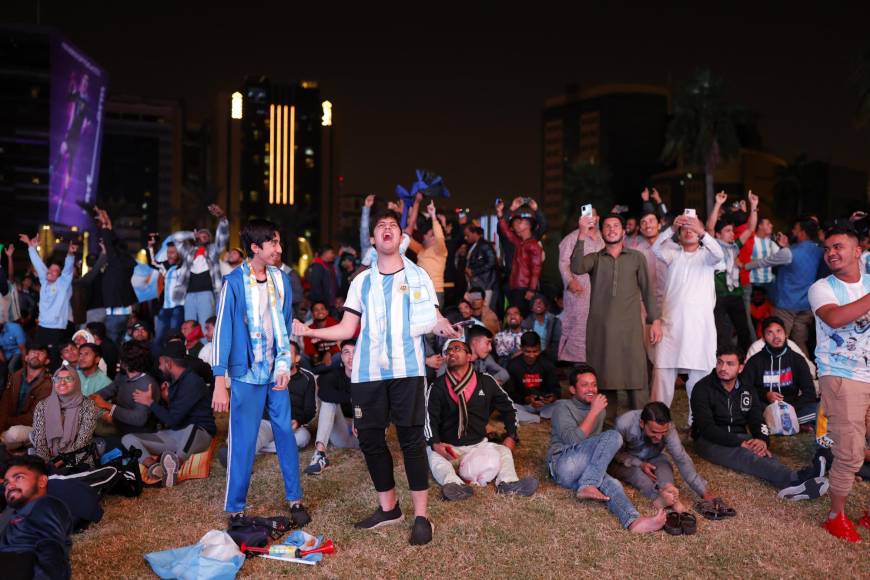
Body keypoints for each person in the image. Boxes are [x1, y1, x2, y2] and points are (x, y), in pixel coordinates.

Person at [293, 208, 460, 545]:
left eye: (392, 226)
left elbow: (434, 316)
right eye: (380, 226)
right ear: (373, 239)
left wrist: (443, 326)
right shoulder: (361, 281)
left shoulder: (418, 276)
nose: (386, 230)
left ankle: (421, 517)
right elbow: (347, 327)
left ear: (401, 238)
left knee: (411, 440)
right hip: (368, 373)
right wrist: (310, 330)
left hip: (407, 371)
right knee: (369, 438)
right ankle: (388, 508)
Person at [211, 219, 310, 523]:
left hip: (277, 370)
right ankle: (236, 508)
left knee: (285, 434)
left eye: (280, 243)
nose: (279, 249)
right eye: (274, 244)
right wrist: (219, 381)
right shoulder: (234, 282)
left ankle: (295, 500)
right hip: (245, 373)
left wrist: (284, 364)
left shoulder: (281, 280)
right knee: (243, 439)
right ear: (255, 248)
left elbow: (284, 322)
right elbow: (222, 332)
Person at [690, 346, 828, 500]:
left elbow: (757, 419)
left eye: (730, 364)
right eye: (720, 363)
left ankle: (795, 485)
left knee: (764, 453)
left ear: (741, 367)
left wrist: (762, 440)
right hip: (707, 439)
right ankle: (793, 479)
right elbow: (706, 428)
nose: (723, 368)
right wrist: (740, 442)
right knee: (744, 455)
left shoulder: (747, 389)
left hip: (737, 434)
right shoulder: (702, 388)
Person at [547, 365, 665, 533]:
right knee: (614, 436)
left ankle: (633, 521)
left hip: (585, 469)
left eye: (594, 384)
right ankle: (588, 484)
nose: (591, 389)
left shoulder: (599, 411)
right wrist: (594, 412)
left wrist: (637, 463)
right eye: (585, 385)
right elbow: (573, 441)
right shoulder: (562, 407)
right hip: (562, 464)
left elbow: (598, 450)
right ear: (572, 389)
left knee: (614, 484)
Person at [807, 224, 870, 541]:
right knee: (850, 452)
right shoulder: (822, 288)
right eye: (828, 248)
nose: (831, 253)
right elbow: (834, 318)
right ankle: (836, 517)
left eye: (839, 247)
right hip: (842, 376)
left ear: (858, 251)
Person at [571, 213, 662, 420]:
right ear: (602, 232)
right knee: (603, 377)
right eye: (607, 226)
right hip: (600, 330)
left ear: (623, 231)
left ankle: (642, 427)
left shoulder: (636, 257)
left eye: (616, 226)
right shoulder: (595, 259)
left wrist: (654, 320)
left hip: (630, 329)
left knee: (636, 376)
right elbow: (576, 267)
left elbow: (648, 291)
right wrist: (583, 232)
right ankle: (606, 429)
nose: (612, 229)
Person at [426, 337, 537, 500]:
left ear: (470, 356)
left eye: (457, 349)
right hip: (449, 448)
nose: (451, 352)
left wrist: (511, 435)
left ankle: (508, 483)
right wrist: (435, 443)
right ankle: (455, 485)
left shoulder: (485, 381)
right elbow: (429, 418)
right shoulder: (437, 386)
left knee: (503, 450)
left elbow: (508, 408)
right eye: (448, 350)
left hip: (478, 445)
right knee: (431, 452)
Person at [651, 211, 724, 424]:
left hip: (699, 327)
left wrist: (702, 232)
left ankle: (698, 423)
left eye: (694, 228)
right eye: (685, 229)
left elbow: (719, 253)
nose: (689, 231)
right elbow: (656, 247)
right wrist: (672, 229)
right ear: (679, 236)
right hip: (671, 325)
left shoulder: (707, 256)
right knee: (663, 374)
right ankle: (656, 421)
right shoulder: (673, 253)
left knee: (700, 376)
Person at [123, 341, 215, 488]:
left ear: (168, 363)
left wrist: (150, 403)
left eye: (160, 363)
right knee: (128, 438)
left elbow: (172, 419)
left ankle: (174, 463)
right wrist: (165, 398)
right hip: (175, 434)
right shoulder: (173, 383)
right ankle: (155, 467)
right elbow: (173, 419)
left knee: (192, 428)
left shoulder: (192, 382)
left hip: (198, 434)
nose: (159, 367)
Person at [611, 402, 718, 513]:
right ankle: (659, 499)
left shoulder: (668, 427)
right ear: (642, 423)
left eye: (663, 432)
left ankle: (669, 491)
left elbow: (680, 457)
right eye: (654, 432)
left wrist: (704, 492)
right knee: (639, 476)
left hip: (654, 457)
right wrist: (639, 464)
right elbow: (615, 453)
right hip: (627, 461)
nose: (659, 437)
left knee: (664, 466)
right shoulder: (624, 424)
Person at [747, 218, 823, 356]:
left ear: (802, 233)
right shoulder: (819, 251)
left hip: (786, 304)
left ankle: (777, 371)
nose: (792, 231)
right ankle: (807, 372)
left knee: (778, 340)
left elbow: (765, 262)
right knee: (799, 342)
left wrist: (744, 265)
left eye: (795, 229)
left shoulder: (790, 253)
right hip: (806, 305)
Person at [0, 456, 73, 580]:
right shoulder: (16, 513)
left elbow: (50, 551)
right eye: (7, 482)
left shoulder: (44, 505)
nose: (10, 486)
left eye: (19, 477)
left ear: (42, 481)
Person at [740, 317, 818, 426]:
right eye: (770, 333)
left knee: (818, 410)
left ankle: (778, 423)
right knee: (745, 408)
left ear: (785, 334)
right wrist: (765, 395)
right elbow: (744, 389)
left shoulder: (797, 360)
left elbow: (809, 393)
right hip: (764, 408)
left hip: (793, 408)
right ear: (763, 338)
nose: (776, 336)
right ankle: (786, 423)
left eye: (779, 331)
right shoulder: (755, 361)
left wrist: (789, 409)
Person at [707, 191, 758, 354]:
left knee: (744, 331)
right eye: (728, 231)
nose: (732, 233)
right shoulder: (712, 245)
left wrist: (754, 206)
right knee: (721, 333)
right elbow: (709, 227)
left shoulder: (735, 246)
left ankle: (746, 360)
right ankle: (721, 362)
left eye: (731, 230)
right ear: (718, 235)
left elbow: (750, 229)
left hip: (736, 294)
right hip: (719, 296)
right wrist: (718, 204)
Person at [303, 340, 360, 476]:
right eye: (346, 352)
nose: (351, 357)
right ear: (341, 357)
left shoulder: (370, 376)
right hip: (343, 433)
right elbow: (324, 393)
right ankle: (320, 454)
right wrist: (351, 398)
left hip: (364, 432)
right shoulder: (335, 374)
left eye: (355, 352)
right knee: (328, 402)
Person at [168, 204, 229, 326]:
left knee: (205, 325)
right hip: (189, 294)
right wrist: (191, 234)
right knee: (189, 326)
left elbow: (222, 237)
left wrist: (222, 218)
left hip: (206, 294)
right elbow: (175, 238)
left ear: (209, 239)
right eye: (201, 234)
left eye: (206, 236)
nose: (203, 236)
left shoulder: (213, 251)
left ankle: (207, 346)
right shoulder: (188, 251)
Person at [558, 210, 604, 363]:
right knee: (578, 324)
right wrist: (570, 281)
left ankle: (597, 360)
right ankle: (576, 362)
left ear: (597, 218)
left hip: (600, 290)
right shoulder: (571, 238)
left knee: (599, 323)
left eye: (593, 215)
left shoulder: (603, 238)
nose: (590, 219)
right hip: (579, 290)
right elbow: (563, 263)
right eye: (586, 216)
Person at [30, 366, 98, 468]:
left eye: (68, 378)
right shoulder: (42, 405)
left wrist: (62, 461)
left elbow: (83, 441)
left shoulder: (88, 405)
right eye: (57, 379)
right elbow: (40, 441)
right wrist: (48, 464)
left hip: (78, 458)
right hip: (48, 460)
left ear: (77, 382)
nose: (62, 382)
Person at [254, 342, 316, 452]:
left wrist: (298, 421)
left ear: (297, 358)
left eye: (288, 353)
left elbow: (310, 410)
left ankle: (263, 447)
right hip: (270, 422)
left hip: (292, 425)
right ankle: (242, 452)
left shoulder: (307, 378)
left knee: (303, 438)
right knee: (255, 432)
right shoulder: (268, 375)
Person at [19, 234, 76, 350]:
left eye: (55, 271)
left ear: (60, 276)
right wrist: (30, 246)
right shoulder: (44, 281)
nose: (50, 271)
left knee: (53, 357)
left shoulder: (62, 284)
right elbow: (38, 264)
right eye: (50, 269)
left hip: (56, 329)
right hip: (41, 327)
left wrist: (70, 254)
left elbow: (68, 269)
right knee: (39, 355)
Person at [91, 341, 159, 438]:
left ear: (124, 362)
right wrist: (90, 399)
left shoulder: (146, 385)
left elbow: (139, 419)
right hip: (118, 424)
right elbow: (108, 391)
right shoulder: (123, 376)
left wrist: (108, 406)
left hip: (136, 434)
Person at [94, 208, 138, 344]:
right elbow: (113, 243)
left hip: (115, 314)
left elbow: (110, 244)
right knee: (121, 345)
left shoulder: (117, 262)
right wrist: (109, 226)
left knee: (111, 346)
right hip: (122, 311)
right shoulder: (125, 262)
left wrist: (105, 225)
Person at [496, 200, 543, 316]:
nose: (517, 224)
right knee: (516, 315)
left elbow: (536, 269)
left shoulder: (533, 245)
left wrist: (531, 290)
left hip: (524, 288)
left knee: (522, 316)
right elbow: (505, 229)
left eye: (521, 222)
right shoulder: (519, 243)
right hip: (515, 286)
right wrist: (505, 211)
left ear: (527, 227)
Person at [0, 346, 51, 450]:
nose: (36, 355)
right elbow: (5, 402)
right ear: (26, 357)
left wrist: (5, 422)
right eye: (33, 352)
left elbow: (34, 417)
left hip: (33, 426)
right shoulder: (15, 376)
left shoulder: (49, 384)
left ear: (47, 361)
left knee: (14, 433)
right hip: (9, 422)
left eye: (40, 353)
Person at [506, 332, 560, 422]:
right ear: (521, 349)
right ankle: (538, 418)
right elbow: (510, 394)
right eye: (528, 351)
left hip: (545, 405)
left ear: (540, 348)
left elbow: (556, 389)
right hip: (524, 406)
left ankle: (537, 416)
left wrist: (552, 397)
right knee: (505, 407)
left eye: (535, 351)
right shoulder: (513, 365)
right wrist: (527, 399)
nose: (532, 355)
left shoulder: (547, 364)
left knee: (565, 404)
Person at [406, 199, 449, 306]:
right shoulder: (421, 249)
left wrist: (433, 216)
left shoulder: (440, 250)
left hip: (435, 291)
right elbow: (406, 237)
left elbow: (440, 236)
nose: (424, 236)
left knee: (434, 322)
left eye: (428, 234)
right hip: (419, 291)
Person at [147, 238, 184, 350]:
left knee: (174, 337)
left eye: (172, 252)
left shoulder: (185, 267)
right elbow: (153, 262)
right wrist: (151, 247)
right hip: (164, 308)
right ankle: (158, 365)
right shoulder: (165, 267)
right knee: (159, 338)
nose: (169, 255)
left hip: (178, 307)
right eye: (168, 252)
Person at [463, 225, 498, 308]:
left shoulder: (484, 245)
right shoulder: (473, 246)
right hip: (476, 283)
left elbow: (492, 262)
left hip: (485, 283)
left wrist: (473, 271)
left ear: (475, 233)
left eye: (468, 235)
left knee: (483, 308)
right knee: (476, 307)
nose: (465, 238)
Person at [521, 294, 561, 362]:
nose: (538, 304)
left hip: (549, 356)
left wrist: (544, 354)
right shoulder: (526, 323)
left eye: (541, 302)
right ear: (531, 308)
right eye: (535, 302)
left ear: (545, 306)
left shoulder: (554, 321)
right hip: (531, 355)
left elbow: (556, 342)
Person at [303, 301, 340, 368]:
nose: (320, 312)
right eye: (316, 310)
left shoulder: (335, 325)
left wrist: (329, 353)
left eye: (322, 309)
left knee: (338, 356)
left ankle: (318, 371)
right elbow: (308, 349)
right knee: (302, 357)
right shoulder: (309, 329)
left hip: (332, 358)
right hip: (317, 359)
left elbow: (340, 344)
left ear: (327, 312)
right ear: (312, 314)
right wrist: (315, 356)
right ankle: (315, 372)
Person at [305, 246, 338, 314]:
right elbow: (315, 286)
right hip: (323, 304)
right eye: (331, 253)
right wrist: (322, 303)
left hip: (328, 303)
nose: (333, 255)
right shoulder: (318, 266)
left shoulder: (327, 265)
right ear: (325, 253)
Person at [0, 319, 26, 387]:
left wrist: (25, 367)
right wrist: (4, 364)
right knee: (3, 369)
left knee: (11, 366)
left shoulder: (15, 328)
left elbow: (23, 349)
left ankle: (13, 385)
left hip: (17, 351)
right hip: (4, 352)